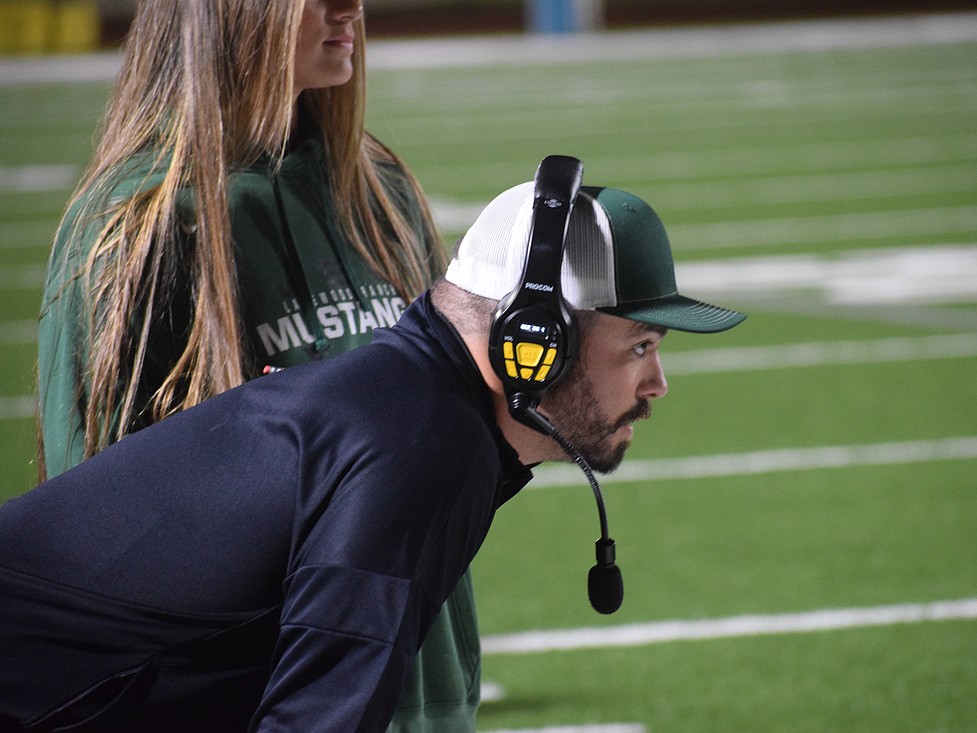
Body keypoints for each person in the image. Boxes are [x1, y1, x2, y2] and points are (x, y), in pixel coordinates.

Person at [1, 175, 746, 731]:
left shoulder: (413, 408)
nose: (658, 383)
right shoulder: (418, 450)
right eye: (641, 346)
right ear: (535, 342)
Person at [33, 1, 479, 730]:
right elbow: (90, 554)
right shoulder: (135, 228)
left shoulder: (380, 193)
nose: (351, 9)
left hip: (421, 697)